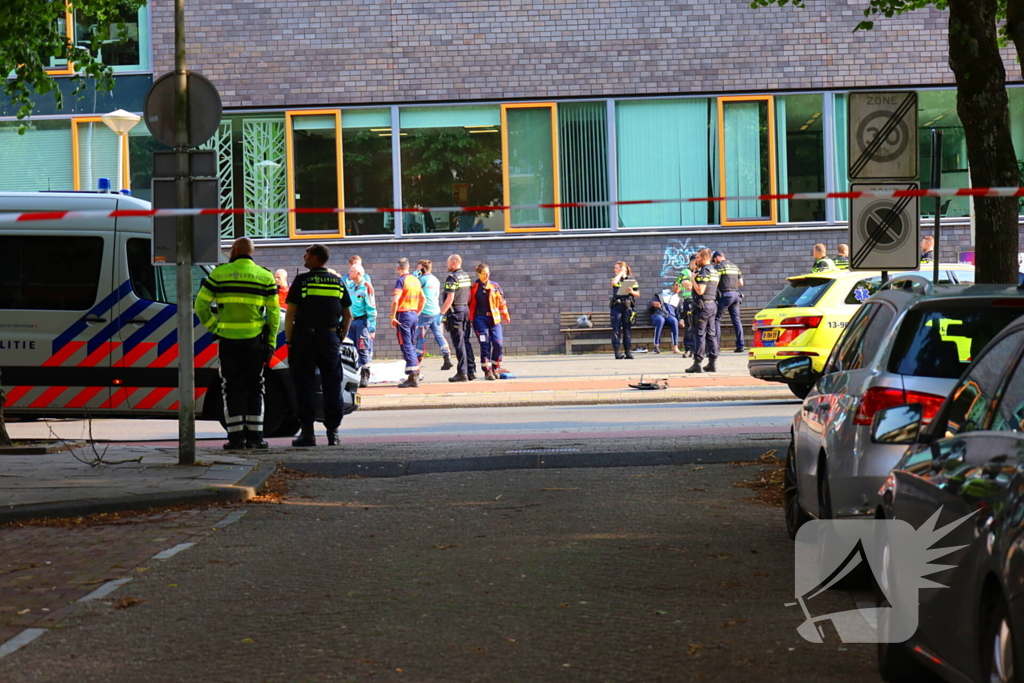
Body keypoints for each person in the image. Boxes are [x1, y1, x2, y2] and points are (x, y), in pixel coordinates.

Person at [195, 237, 280, 451]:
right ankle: (256, 437)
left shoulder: (219, 274)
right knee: (255, 387)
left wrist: (215, 327)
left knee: (231, 388)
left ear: (234, 250)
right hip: (255, 342)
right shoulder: (265, 276)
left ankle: (235, 438)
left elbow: (200, 305)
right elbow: (274, 314)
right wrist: (270, 343)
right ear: (251, 252)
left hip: (228, 342)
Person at [285, 244, 352, 447]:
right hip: (329, 339)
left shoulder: (302, 281)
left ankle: (307, 433)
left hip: (304, 339)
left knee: (303, 385)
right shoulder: (337, 282)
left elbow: (290, 314)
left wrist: (289, 341)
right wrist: (339, 337)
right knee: (332, 384)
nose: (304, 256)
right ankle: (333, 432)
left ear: (314, 258)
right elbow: (348, 316)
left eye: (306, 253)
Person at [468, 263, 511, 380]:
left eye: (488, 273)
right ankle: (487, 371)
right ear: (478, 274)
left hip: (494, 319)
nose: (487, 276)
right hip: (480, 319)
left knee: (498, 343)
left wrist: (505, 315)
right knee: (485, 344)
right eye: (484, 274)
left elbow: (502, 302)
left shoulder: (495, 286)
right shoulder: (473, 286)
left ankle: (495, 367)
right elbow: (469, 303)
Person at [440, 254, 478, 383]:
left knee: (459, 343)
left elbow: (450, 298)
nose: (447, 265)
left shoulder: (452, 278)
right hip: (465, 310)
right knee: (466, 341)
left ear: (454, 263)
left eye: (448, 263)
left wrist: (441, 314)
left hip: (455, 312)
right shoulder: (466, 276)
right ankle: (471, 370)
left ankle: (462, 373)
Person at [391, 258, 426, 388]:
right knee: (410, 343)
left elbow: (395, 300)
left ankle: (414, 374)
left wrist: (392, 316)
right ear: (408, 267)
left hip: (403, 315)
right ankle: (413, 374)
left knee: (406, 344)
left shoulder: (401, 281)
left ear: (398, 268)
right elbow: (423, 298)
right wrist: (416, 312)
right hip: (412, 314)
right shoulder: (415, 280)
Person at [414, 259, 453, 371]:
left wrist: (414, 278)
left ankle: (418, 359)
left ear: (422, 269)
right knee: (439, 335)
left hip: (425, 313)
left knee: (420, 336)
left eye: (418, 268)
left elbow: (416, 293)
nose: (416, 270)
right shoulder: (435, 280)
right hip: (435, 312)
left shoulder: (421, 280)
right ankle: (447, 357)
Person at [686, 248, 720, 374]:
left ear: (705, 258)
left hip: (702, 306)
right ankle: (712, 362)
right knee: (711, 334)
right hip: (712, 304)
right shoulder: (714, 271)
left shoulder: (705, 271)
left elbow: (700, 290)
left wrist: (693, 279)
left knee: (700, 334)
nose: (696, 260)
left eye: (698, 257)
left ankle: (697, 362)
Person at [347, 263, 376, 388]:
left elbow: (371, 309)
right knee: (350, 349)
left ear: (358, 273)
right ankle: (352, 374)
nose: (349, 272)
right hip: (350, 322)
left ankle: (365, 374)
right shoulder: (351, 286)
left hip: (362, 322)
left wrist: (372, 327)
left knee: (363, 348)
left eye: (352, 271)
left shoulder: (367, 287)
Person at [712, 250, 745, 353]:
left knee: (716, 320)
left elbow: (715, 282)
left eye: (714, 260)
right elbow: (741, 283)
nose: (714, 262)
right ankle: (740, 345)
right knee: (736, 320)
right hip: (736, 295)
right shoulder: (735, 266)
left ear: (717, 258)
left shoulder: (719, 267)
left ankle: (716, 347)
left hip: (725, 295)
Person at [609, 261, 640, 359]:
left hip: (627, 307)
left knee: (627, 330)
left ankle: (628, 351)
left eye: (616, 268)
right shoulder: (616, 278)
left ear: (622, 268)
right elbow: (613, 283)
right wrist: (620, 273)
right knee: (616, 329)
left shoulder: (631, 280)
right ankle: (617, 352)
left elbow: (637, 294)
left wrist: (631, 291)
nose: (614, 270)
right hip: (616, 307)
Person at [650, 282, 682, 354]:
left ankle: (675, 346)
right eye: (676, 285)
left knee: (674, 321)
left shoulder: (678, 299)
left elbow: (679, 313)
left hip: (670, 316)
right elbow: (650, 305)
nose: (678, 287)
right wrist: (653, 304)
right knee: (660, 320)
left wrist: (681, 320)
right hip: (658, 314)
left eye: (680, 286)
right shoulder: (661, 294)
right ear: (672, 286)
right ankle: (656, 346)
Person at [678, 255, 697, 358]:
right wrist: (700, 283)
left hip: (700, 301)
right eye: (696, 263)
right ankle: (689, 349)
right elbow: (688, 286)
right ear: (692, 262)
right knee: (689, 326)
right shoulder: (685, 272)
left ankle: (699, 349)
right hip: (689, 301)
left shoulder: (702, 271)